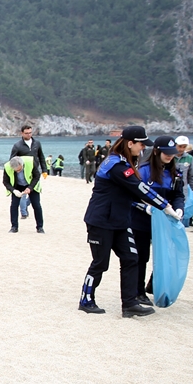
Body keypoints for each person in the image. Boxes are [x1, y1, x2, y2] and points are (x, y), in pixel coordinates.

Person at [78, 126, 177, 317]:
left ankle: (130, 304)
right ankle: (86, 299)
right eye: (141, 144)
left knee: (131, 258)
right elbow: (139, 188)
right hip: (101, 220)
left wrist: (153, 206)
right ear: (130, 143)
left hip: (121, 221)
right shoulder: (115, 165)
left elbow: (134, 192)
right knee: (100, 263)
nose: (142, 148)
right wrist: (165, 205)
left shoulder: (126, 161)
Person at [131, 136, 185, 304]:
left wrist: (179, 208)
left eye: (172, 153)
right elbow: (132, 195)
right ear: (156, 151)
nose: (169, 156)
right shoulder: (144, 171)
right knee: (142, 256)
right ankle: (138, 291)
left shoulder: (175, 173)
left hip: (165, 220)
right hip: (142, 219)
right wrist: (146, 208)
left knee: (166, 253)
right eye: (166, 153)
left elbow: (177, 195)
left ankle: (153, 286)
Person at [2, 155, 44, 233]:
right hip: (17, 186)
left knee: (36, 205)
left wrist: (30, 188)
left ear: (22, 165)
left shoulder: (30, 162)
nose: (17, 171)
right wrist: (14, 191)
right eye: (15, 170)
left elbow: (37, 176)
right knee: (14, 206)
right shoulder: (7, 167)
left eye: (19, 170)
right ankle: (14, 227)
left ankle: (40, 227)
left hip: (31, 184)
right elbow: (5, 181)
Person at [173, 136, 193, 227]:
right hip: (168, 188)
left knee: (179, 213)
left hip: (181, 191)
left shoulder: (189, 158)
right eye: (179, 146)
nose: (181, 149)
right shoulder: (169, 156)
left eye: (184, 147)